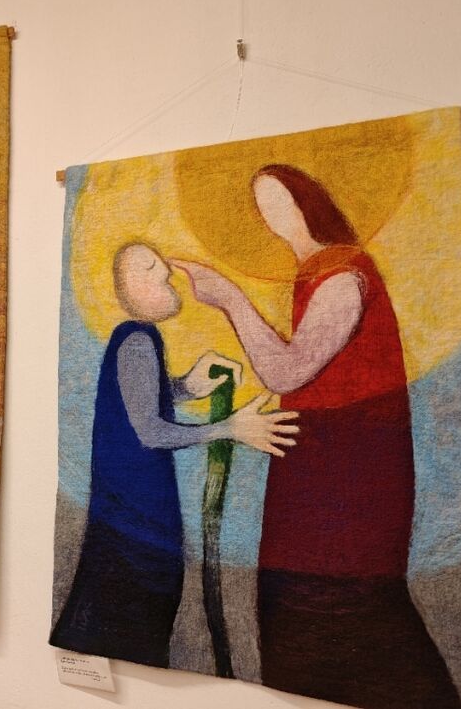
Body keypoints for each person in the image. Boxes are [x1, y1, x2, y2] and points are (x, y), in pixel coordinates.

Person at [173, 165, 461, 708]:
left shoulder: (341, 275)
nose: (272, 216)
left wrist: (231, 299)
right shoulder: (315, 272)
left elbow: (288, 371)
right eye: (263, 206)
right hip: (317, 461)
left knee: (341, 601)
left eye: (281, 200)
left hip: (349, 467)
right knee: (301, 602)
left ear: (311, 201)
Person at [50, 242, 298, 668]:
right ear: (131, 286)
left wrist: (186, 386)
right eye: (150, 268)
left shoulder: (135, 339)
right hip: (135, 525)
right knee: (133, 623)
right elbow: (150, 431)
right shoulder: (137, 338)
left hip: (130, 520)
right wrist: (230, 428)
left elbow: (139, 405)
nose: (166, 271)